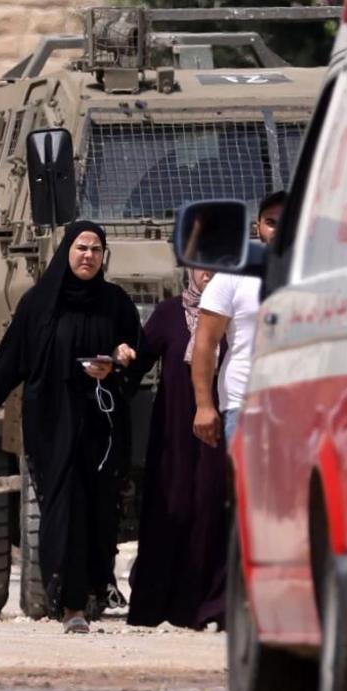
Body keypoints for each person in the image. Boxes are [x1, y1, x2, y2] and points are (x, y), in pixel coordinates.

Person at [0, 221, 141, 633]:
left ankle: (94, 590)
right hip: (54, 423)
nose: (88, 256)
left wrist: (120, 359)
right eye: (81, 247)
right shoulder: (40, 304)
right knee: (66, 506)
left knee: (99, 508)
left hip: (103, 426)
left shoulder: (116, 302)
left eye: (95, 249)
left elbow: (134, 353)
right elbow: (9, 361)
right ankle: (70, 604)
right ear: (66, 252)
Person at [125, 267, 229, 630]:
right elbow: (137, 363)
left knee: (212, 505)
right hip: (173, 432)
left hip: (220, 427)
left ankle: (210, 604)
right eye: (201, 262)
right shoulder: (169, 313)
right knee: (171, 506)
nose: (208, 272)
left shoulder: (238, 314)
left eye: (218, 263)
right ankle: (157, 604)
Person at [193, 191, 285, 449]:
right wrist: (204, 406)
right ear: (258, 227)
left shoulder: (320, 274)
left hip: (306, 406)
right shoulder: (232, 276)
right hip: (244, 404)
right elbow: (206, 342)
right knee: (250, 488)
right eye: (271, 222)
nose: (279, 230)